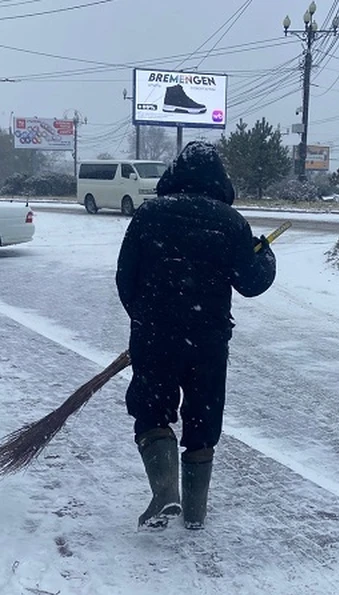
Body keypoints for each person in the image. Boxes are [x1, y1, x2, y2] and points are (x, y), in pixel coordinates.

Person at [115, 141, 276, 531]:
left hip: (155, 335)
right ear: (219, 179)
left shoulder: (150, 214)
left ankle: (166, 492)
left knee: (151, 410)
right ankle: (196, 515)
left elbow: (126, 277)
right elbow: (251, 283)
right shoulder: (231, 222)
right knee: (203, 418)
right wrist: (264, 253)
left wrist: (143, 318)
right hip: (208, 340)